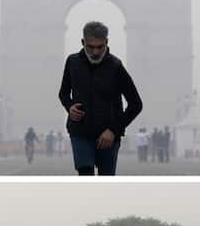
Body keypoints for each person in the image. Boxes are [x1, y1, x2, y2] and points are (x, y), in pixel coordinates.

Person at [58, 21, 143, 175]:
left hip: (108, 135)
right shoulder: (72, 62)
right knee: (85, 177)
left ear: (107, 42)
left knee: (106, 180)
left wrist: (113, 130)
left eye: (100, 47)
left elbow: (136, 104)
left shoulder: (116, 66)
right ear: (83, 42)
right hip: (80, 131)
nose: (95, 52)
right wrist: (69, 106)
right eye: (90, 47)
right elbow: (63, 93)